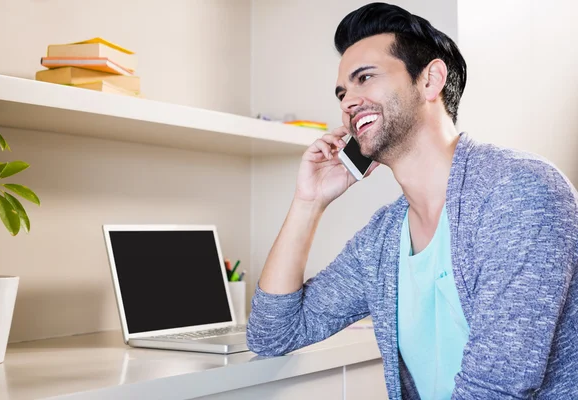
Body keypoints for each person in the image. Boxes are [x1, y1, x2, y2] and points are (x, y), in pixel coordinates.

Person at [245, 2, 578, 399]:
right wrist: (308, 201)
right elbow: (272, 333)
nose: (348, 102)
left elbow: (499, 386)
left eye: (364, 78)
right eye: (342, 92)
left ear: (430, 80)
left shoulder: (518, 190)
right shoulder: (382, 239)